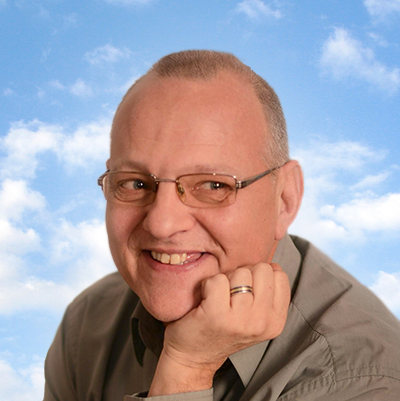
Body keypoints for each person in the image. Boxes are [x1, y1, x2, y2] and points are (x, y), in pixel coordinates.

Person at [44, 50, 400, 401]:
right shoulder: (88, 323)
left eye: (213, 185)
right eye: (135, 183)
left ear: (284, 199)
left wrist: (187, 368)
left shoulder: (361, 381)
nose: (162, 224)